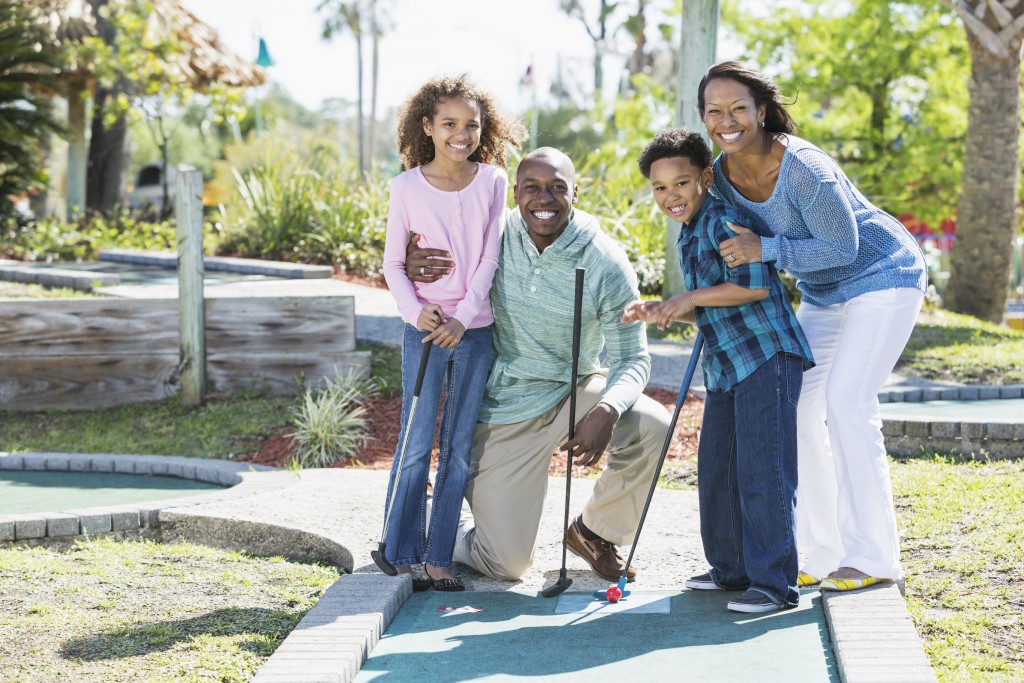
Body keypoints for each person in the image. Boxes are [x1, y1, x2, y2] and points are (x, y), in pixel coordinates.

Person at [697, 61, 928, 591]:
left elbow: (842, 246)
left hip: (882, 274)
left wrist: (769, 248)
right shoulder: (723, 177)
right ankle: (821, 551)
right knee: (797, 408)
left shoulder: (803, 167)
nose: (726, 120)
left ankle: (873, 557)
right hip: (824, 294)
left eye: (737, 108)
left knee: (849, 404)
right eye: (714, 111)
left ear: (760, 111)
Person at [406, 147, 671, 583]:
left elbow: (632, 357)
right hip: (503, 407)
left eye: (556, 188)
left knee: (651, 425)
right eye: (532, 188)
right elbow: (434, 265)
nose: (543, 199)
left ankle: (594, 533)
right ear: (515, 193)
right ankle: (438, 520)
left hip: (573, 389)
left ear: (576, 193)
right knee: (506, 565)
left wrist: (607, 409)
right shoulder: (490, 235)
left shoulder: (605, 260)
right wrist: (416, 266)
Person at [622, 128, 814, 613]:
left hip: (766, 358)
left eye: (681, 183)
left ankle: (773, 586)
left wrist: (687, 297)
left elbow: (751, 288)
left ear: (705, 178)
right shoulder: (690, 230)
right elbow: (709, 305)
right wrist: (662, 308)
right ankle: (731, 570)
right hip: (729, 365)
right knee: (718, 470)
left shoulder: (724, 219)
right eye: (660, 188)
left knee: (762, 473)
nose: (671, 196)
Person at [380, 74, 525, 591]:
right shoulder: (405, 187)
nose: (461, 134)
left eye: (471, 125)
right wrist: (415, 312)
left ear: (484, 129)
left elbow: (490, 255)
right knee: (416, 442)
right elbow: (393, 264)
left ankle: (439, 554)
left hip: (474, 330)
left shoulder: (493, 181)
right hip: (423, 331)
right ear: (428, 126)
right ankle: (399, 552)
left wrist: (465, 316)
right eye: (449, 124)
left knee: (458, 446)